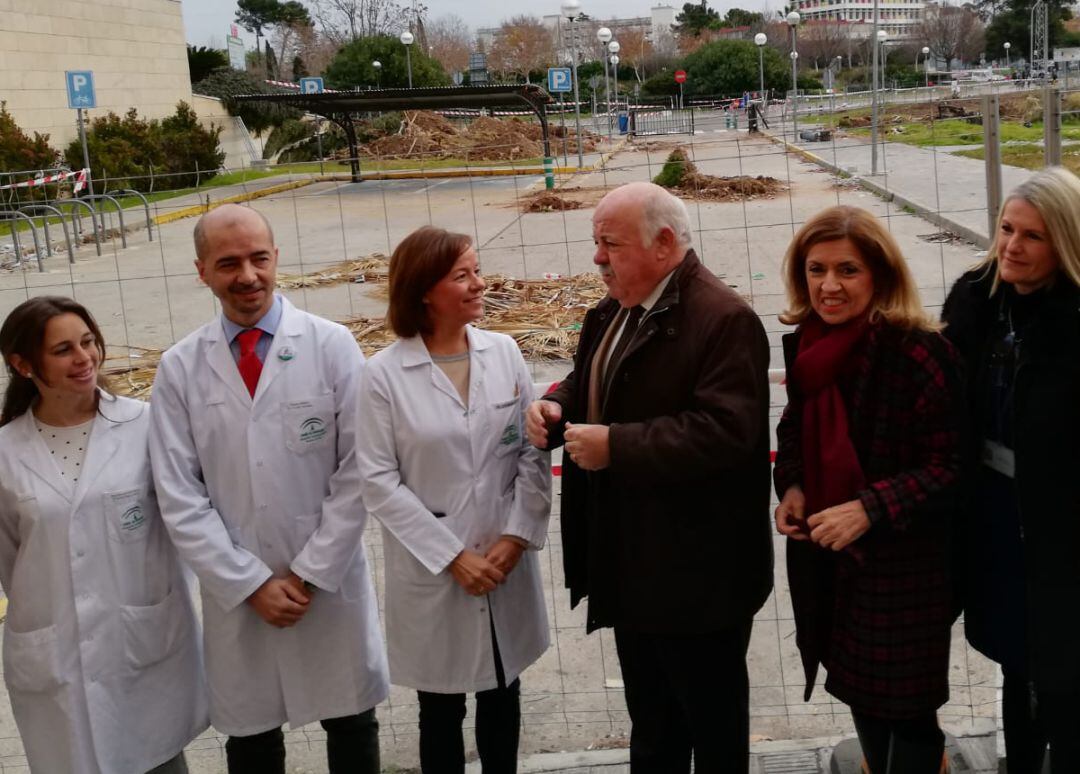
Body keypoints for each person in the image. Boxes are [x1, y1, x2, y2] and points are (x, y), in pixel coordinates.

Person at [525, 182, 773, 773]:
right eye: (596, 243)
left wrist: (618, 445)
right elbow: (590, 379)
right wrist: (557, 404)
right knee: (654, 730)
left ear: (664, 244)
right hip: (634, 568)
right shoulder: (615, 310)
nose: (597, 258)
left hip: (697, 579)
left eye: (608, 243)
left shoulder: (723, 319)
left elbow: (726, 433)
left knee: (710, 732)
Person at [147, 204, 389, 774]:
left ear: (276, 258)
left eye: (259, 258)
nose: (248, 276)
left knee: (351, 722)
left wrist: (308, 573)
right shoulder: (179, 369)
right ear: (201, 271)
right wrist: (250, 582)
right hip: (240, 590)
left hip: (326, 583)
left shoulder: (331, 347)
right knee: (252, 739)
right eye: (228, 263)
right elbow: (178, 495)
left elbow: (359, 469)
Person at [773, 206, 963, 773]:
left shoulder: (919, 352)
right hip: (831, 553)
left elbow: (950, 466)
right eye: (816, 269)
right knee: (855, 683)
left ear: (880, 274)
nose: (829, 286)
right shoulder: (808, 345)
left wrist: (868, 508)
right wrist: (794, 485)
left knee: (907, 706)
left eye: (847, 270)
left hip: (906, 562)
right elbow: (794, 428)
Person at [355, 226, 551, 774]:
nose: (479, 284)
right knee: (439, 708)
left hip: (503, 558)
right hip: (435, 569)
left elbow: (532, 451)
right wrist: (451, 556)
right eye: (462, 275)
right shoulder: (382, 376)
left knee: (502, 693)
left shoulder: (504, 352)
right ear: (424, 290)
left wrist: (517, 536)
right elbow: (377, 480)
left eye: (476, 271)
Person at [0, 296, 207, 773]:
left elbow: (186, 521)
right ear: (23, 364)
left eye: (89, 342)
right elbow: (12, 561)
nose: (84, 358)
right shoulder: (7, 453)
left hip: (139, 642)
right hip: (55, 652)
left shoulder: (147, 425)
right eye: (64, 350)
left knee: (157, 759)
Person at [941, 167, 1080, 773]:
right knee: (1013, 659)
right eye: (1005, 229)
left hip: (1061, 528)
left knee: (1064, 676)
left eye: (1032, 237)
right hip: (996, 514)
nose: (1011, 247)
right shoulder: (976, 303)